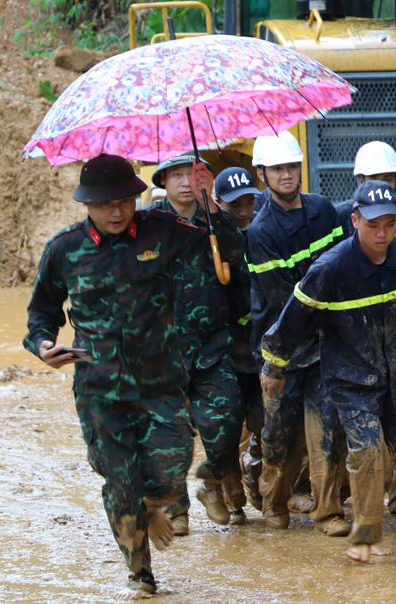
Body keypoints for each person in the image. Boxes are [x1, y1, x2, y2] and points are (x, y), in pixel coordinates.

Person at [23, 154, 205, 598]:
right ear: (87, 203)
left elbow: (226, 254)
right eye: (106, 204)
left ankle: (150, 502)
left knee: (173, 469)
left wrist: (210, 203)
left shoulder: (163, 231)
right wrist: (43, 345)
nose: (117, 211)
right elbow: (42, 312)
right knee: (120, 482)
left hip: (160, 382)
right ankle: (141, 575)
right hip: (99, 388)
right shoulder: (65, 249)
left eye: (124, 200)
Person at [259, 181, 396, 562]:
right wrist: (274, 364)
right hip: (348, 377)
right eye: (373, 225)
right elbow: (294, 317)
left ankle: (363, 519)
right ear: (355, 220)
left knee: (384, 464)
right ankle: (365, 537)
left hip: (392, 375)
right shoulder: (332, 267)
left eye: (390, 224)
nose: (382, 234)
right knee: (368, 453)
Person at [247, 131, 345, 530]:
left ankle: (328, 511)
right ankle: (273, 501)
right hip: (283, 349)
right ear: (262, 174)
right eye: (277, 169)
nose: (286, 175)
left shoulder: (323, 210)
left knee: (327, 430)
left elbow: (344, 264)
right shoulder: (260, 232)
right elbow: (282, 300)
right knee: (279, 437)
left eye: (291, 166)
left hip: (325, 344)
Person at [147, 153, 249, 534]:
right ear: (163, 180)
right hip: (163, 349)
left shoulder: (214, 219)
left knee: (227, 422)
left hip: (212, 346)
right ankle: (176, 509)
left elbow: (236, 255)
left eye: (191, 174)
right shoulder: (148, 223)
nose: (184, 182)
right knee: (168, 434)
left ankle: (213, 482)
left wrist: (214, 210)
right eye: (175, 174)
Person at [214, 166, 263, 522]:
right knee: (227, 426)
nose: (244, 211)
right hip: (223, 351)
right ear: (218, 203)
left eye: (249, 202)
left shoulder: (263, 232)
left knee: (265, 421)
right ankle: (231, 496)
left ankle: (255, 478)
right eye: (235, 206)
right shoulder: (210, 239)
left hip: (259, 347)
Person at [334, 141, 396, 237]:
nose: (380, 188)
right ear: (361, 181)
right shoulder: (341, 215)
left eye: (387, 180)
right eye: (373, 180)